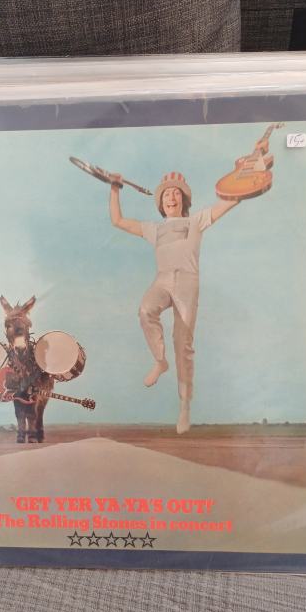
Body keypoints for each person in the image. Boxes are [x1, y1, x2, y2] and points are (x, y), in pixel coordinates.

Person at [109, 171, 239, 434]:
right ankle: (160, 361)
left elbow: (231, 200)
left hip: (188, 284)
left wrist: (248, 173)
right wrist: (114, 189)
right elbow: (118, 220)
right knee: (146, 310)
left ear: (184, 200)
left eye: (176, 193)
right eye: (167, 194)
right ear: (161, 203)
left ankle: (184, 406)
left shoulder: (196, 221)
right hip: (163, 280)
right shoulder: (154, 229)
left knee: (183, 344)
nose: (171, 197)